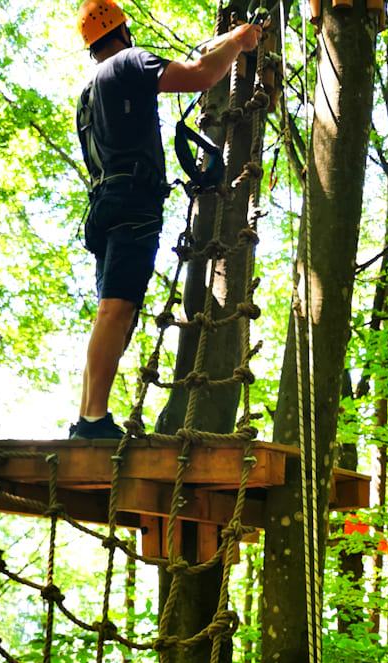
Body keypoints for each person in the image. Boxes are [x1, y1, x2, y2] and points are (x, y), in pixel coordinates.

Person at [71, 2, 264, 440]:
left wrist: (225, 41)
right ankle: (93, 420)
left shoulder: (90, 92)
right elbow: (199, 74)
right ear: (123, 30)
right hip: (132, 203)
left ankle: (87, 415)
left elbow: (200, 60)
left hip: (105, 205)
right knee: (117, 310)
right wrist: (238, 41)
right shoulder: (130, 61)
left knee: (113, 314)